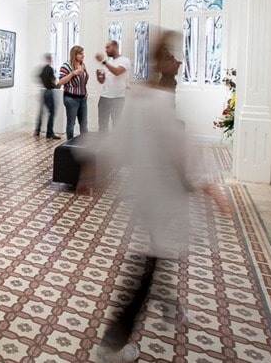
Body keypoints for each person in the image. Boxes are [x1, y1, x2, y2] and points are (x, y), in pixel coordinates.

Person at [94, 30, 230, 363]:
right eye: (173, 55)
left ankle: (169, 305)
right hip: (160, 196)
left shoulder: (148, 95)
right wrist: (205, 185)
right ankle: (112, 345)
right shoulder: (155, 98)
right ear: (163, 59)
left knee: (155, 260)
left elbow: (124, 141)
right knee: (146, 269)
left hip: (155, 196)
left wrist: (92, 172)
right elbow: (175, 147)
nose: (180, 61)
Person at [95, 40, 130, 132]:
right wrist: (99, 76)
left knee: (116, 126)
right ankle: (102, 145)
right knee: (102, 125)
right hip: (104, 97)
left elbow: (117, 72)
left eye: (108, 47)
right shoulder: (109, 62)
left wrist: (103, 61)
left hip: (117, 98)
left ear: (115, 47)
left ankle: (116, 146)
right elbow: (102, 81)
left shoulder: (125, 60)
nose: (106, 50)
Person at [58, 45, 89, 139]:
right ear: (74, 54)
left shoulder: (82, 65)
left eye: (83, 53)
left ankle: (85, 144)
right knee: (71, 123)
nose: (83, 55)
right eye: (80, 53)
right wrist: (73, 73)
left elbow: (83, 81)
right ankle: (69, 145)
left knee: (84, 123)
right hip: (71, 98)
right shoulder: (66, 66)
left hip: (82, 98)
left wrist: (85, 91)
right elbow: (61, 81)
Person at [34, 53, 61, 139]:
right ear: (50, 59)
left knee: (41, 112)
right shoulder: (50, 69)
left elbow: (39, 77)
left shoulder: (43, 69)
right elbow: (53, 81)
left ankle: (37, 131)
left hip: (43, 91)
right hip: (49, 91)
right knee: (52, 112)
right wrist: (57, 85)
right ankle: (49, 133)